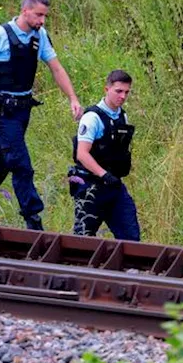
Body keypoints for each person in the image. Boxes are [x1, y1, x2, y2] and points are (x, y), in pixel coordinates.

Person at [0, 0, 83, 231]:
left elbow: (56, 68)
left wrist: (72, 98)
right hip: (1, 109)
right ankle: (34, 222)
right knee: (21, 164)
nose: (42, 20)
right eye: (38, 15)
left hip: (23, 110)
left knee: (0, 161)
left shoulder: (39, 36)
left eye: (45, 16)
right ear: (25, 11)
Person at [69, 70, 141, 240]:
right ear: (106, 89)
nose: (123, 96)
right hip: (90, 186)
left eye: (126, 92)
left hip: (114, 186)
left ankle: (130, 267)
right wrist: (104, 174)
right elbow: (82, 154)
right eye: (118, 91)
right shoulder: (92, 118)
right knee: (83, 240)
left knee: (131, 238)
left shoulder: (122, 115)